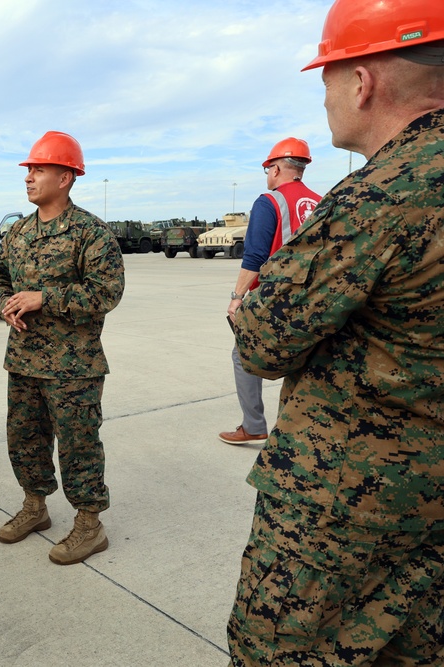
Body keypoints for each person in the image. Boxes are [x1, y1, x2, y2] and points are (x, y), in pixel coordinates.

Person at [227, 0, 444, 663]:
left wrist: (245, 312)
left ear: (362, 80)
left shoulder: (380, 194)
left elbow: (262, 340)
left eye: (327, 76)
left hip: (346, 510)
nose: (324, 96)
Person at [0, 131, 124, 565]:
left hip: (74, 365)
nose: (28, 177)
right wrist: (5, 306)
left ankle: (89, 524)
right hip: (24, 359)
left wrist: (45, 297)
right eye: (28, 170)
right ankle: (35, 507)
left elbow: (107, 292)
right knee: (24, 439)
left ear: (65, 177)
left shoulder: (91, 233)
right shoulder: (18, 232)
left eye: (38, 169)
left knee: (78, 444)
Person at [218, 139, 320, 446]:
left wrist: (236, 298)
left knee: (244, 355)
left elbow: (255, 257)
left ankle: (254, 425)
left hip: (278, 300)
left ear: (275, 168)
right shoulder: (320, 201)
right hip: (316, 300)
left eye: (267, 170)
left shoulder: (270, 201)